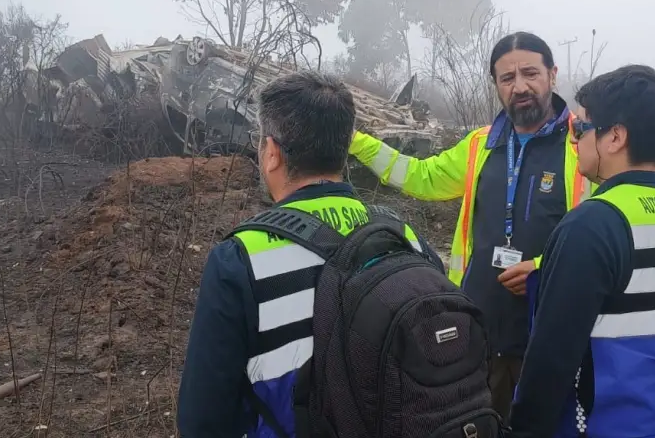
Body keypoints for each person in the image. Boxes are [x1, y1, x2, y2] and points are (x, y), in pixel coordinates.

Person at [177, 70, 455, 438]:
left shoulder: (241, 260)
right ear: (344, 149)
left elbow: (203, 421)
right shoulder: (406, 237)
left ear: (272, 153)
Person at [348, 31, 595, 421]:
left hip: (550, 334)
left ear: (552, 74)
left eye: (530, 73)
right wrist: (357, 142)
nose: (520, 86)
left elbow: (603, 232)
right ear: (496, 86)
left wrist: (544, 266)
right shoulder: (481, 144)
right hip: (478, 331)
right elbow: (420, 176)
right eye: (507, 78)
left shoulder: (585, 145)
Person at [507, 65, 655, 438]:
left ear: (615, 136)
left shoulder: (594, 224)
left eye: (579, 128)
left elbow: (551, 360)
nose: (572, 141)